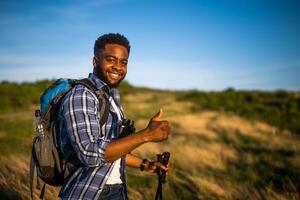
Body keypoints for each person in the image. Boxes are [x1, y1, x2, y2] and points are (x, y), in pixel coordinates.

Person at [58, 33, 171, 200]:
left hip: (116, 189)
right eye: (111, 59)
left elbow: (112, 149)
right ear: (95, 62)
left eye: (123, 62)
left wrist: (145, 164)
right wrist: (145, 135)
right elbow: (90, 154)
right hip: (90, 192)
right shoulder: (82, 95)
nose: (118, 67)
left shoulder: (110, 97)